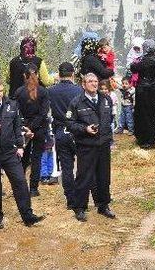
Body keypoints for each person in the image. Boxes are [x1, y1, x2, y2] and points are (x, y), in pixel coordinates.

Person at [0, 77, 44, 229]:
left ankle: (28, 216)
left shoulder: (12, 105)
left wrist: (20, 146)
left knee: (20, 182)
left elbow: (17, 126)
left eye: (1, 91)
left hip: (10, 152)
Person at [66, 73, 116, 222]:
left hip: (103, 144)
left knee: (103, 176)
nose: (94, 84)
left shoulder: (105, 99)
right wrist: (85, 129)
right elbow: (69, 123)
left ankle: (103, 205)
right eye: (90, 81)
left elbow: (109, 120)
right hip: (86, 145)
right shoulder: (76, 102)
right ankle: (80, 207)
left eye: (95, 81)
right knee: (84, 177)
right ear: (83, 84)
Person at [48, 62, 83, 209]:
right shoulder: (79, 90)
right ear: (72, 74)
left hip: (60, 130)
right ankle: (81, 197)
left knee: (66, 167)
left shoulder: (51, 91)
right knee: (83, 165)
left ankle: (70, 199)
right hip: (77, 131)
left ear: (59, 74)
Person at [15, 63, 51, 197]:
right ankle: (34, 189)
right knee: (36, 158)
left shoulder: (19, 92)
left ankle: (21, 187)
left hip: (25, 128)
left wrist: (26, 127)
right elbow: (44, 113)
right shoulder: (43, 91)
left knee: (23, 158)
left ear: (24, 75)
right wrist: (33, 126)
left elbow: (16, 112)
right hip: (39, 128)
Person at [130, 39, 155, 149]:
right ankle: (145, 138)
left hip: (146, 91)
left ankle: (147, 139)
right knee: (147, 114)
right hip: (148, 90)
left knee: (145, 115)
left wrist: (134, 62)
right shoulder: (152, 58)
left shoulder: (149, 59)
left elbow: (134, 68)